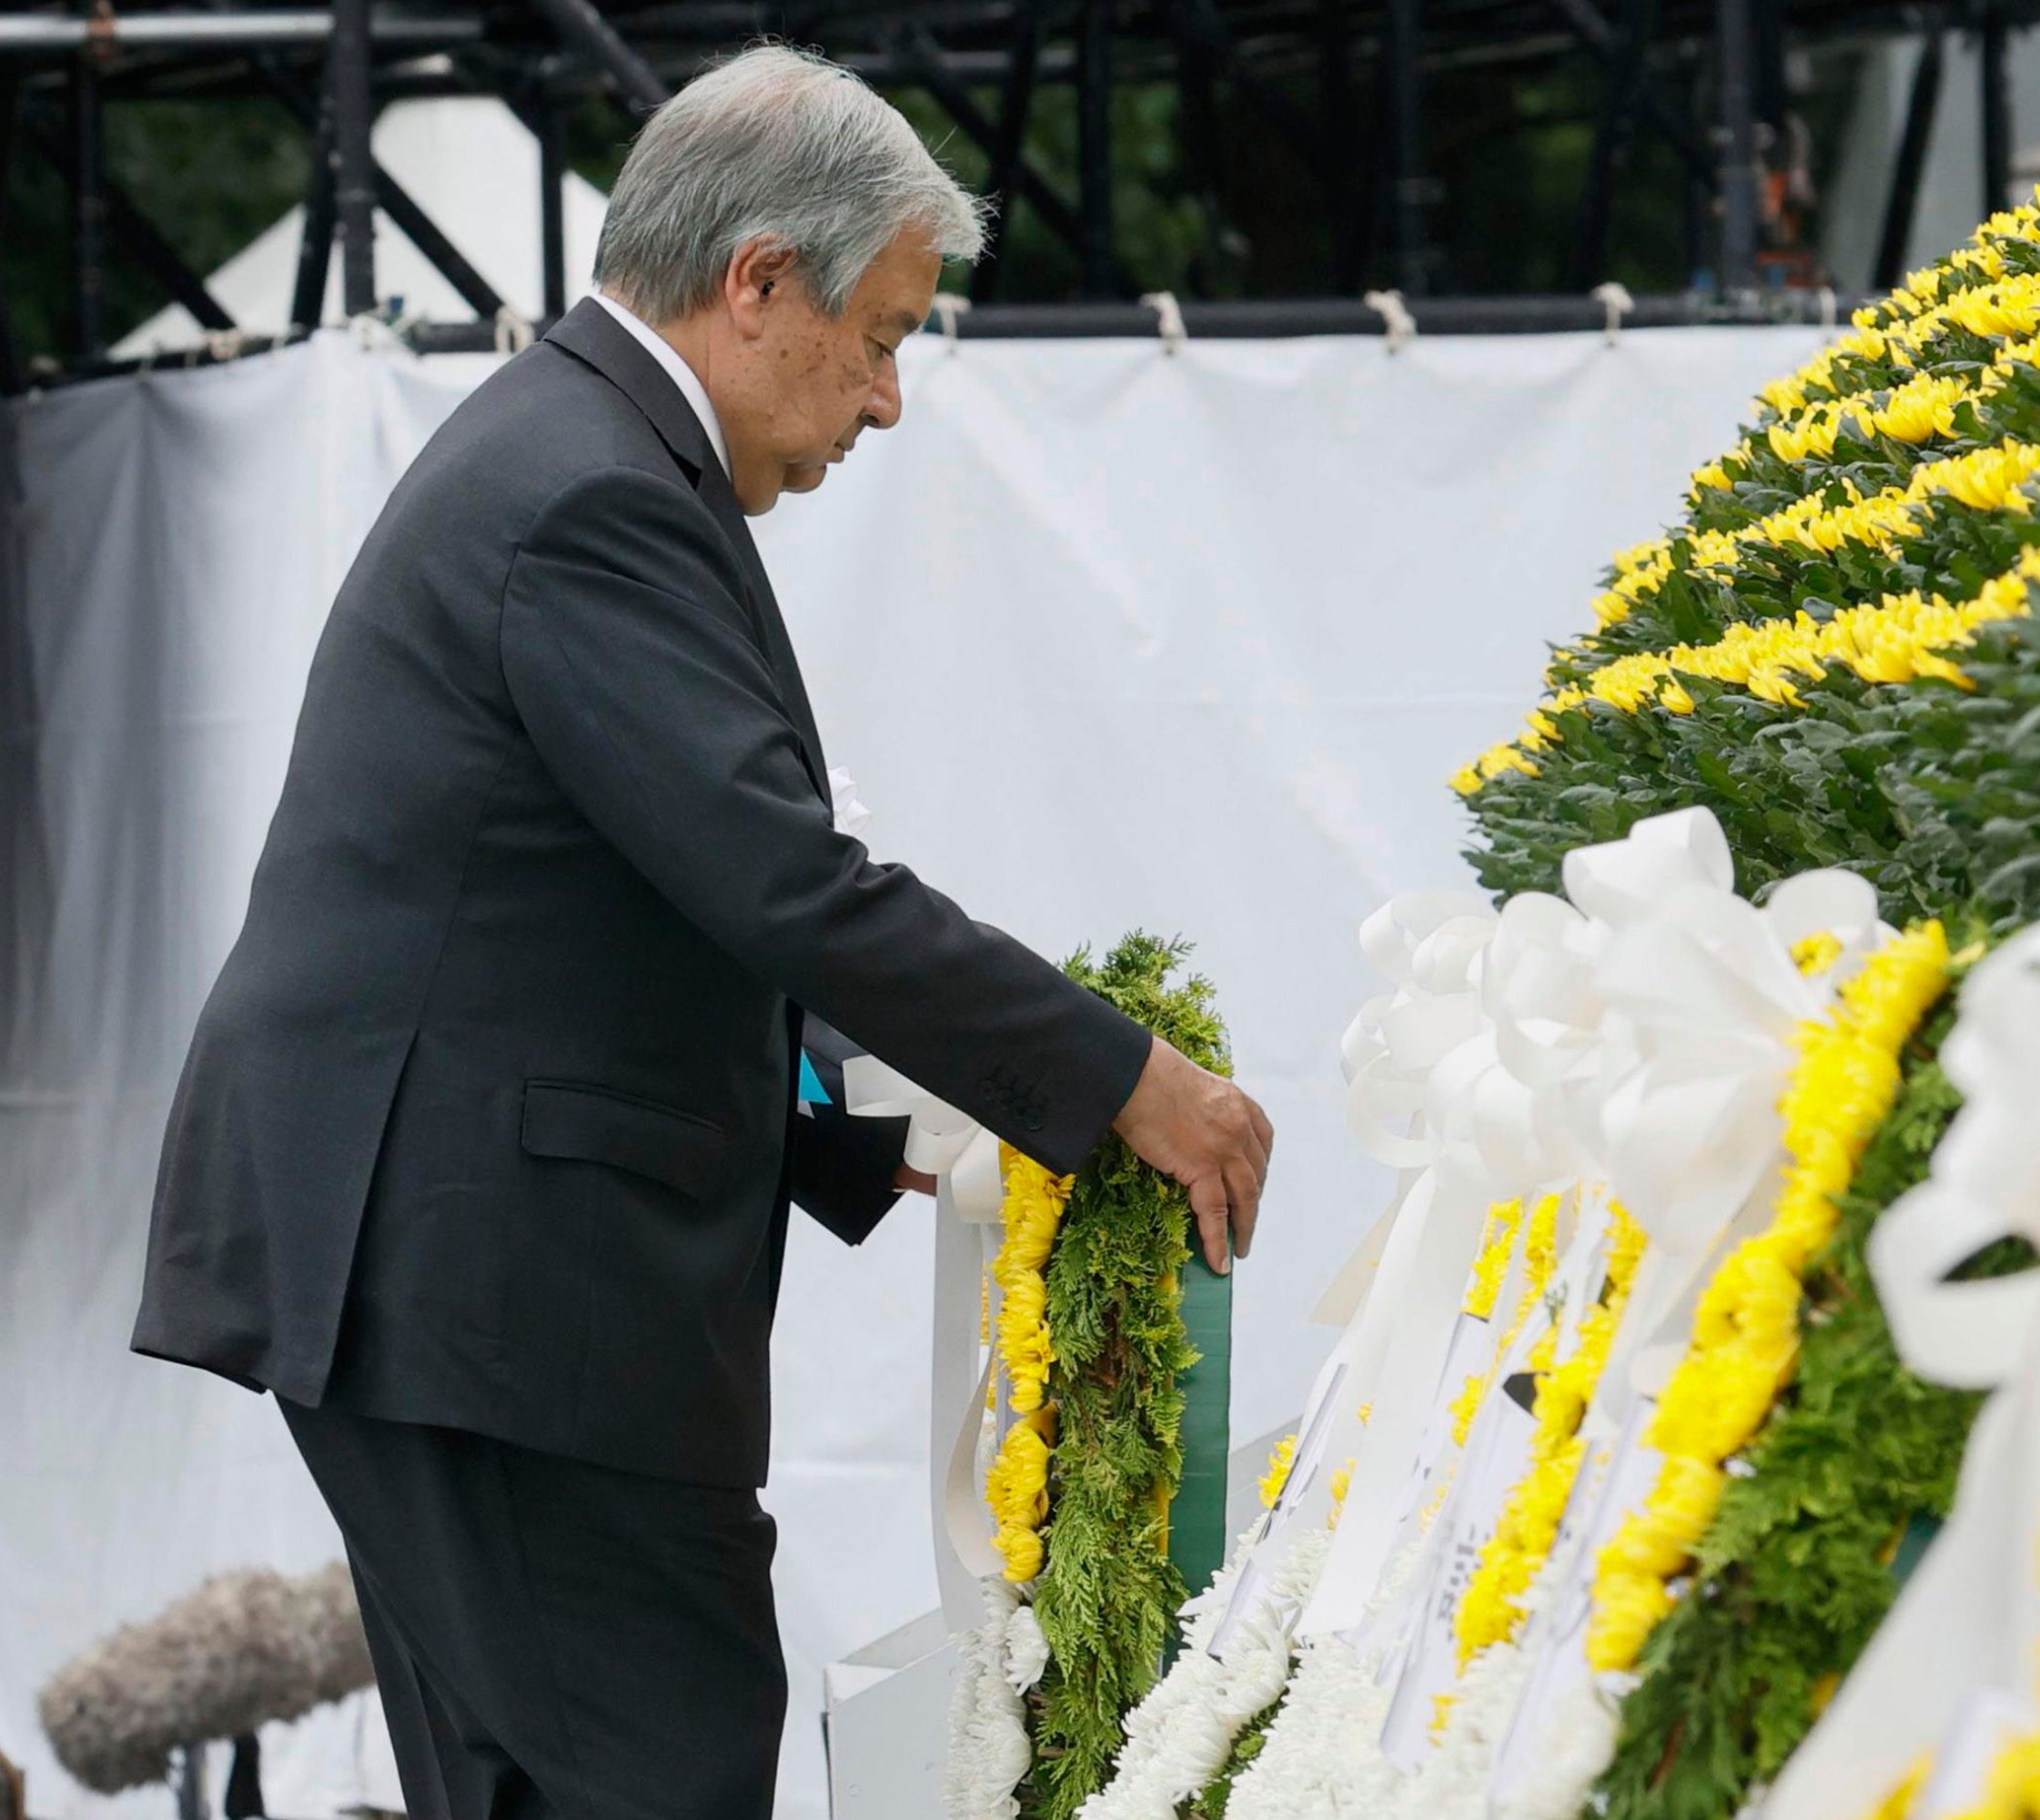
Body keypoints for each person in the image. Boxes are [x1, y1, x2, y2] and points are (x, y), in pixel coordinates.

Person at [129, 45, 1272, 1820]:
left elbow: (618, 905)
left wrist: (849, 1123)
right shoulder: (590, 489)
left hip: (446, 1276)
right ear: (755, 284)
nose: (890, 400)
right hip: (493, 1297)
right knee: (653, 1770)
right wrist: (1126, 1079)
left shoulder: (576, 447)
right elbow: (783, 882)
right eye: (885, 336)